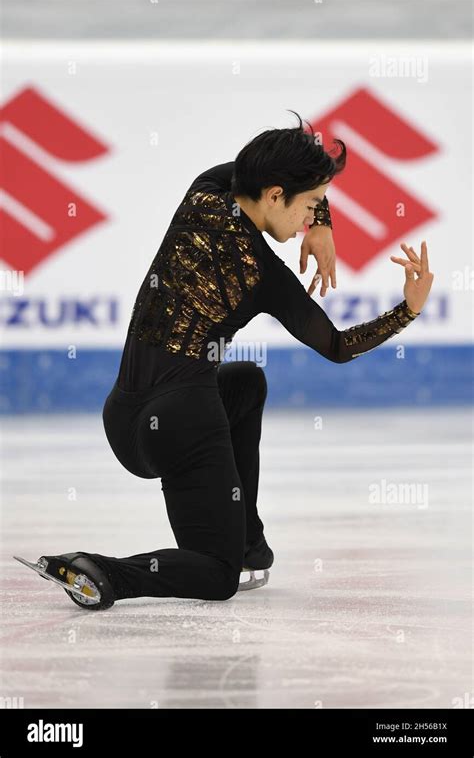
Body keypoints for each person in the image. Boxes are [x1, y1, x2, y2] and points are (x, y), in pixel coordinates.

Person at [16, 111, 434, 610]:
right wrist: (408, 310)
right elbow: (339, 347)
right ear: (276, 194)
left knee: (244, 384)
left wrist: (322, 222)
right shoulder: (264, 273)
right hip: (180, 422)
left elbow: (242, 168)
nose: (309, 221)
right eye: (312, 206)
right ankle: (104, 572)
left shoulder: (203, 194)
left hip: (124, 416)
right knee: (216, 576)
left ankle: (248, 542)